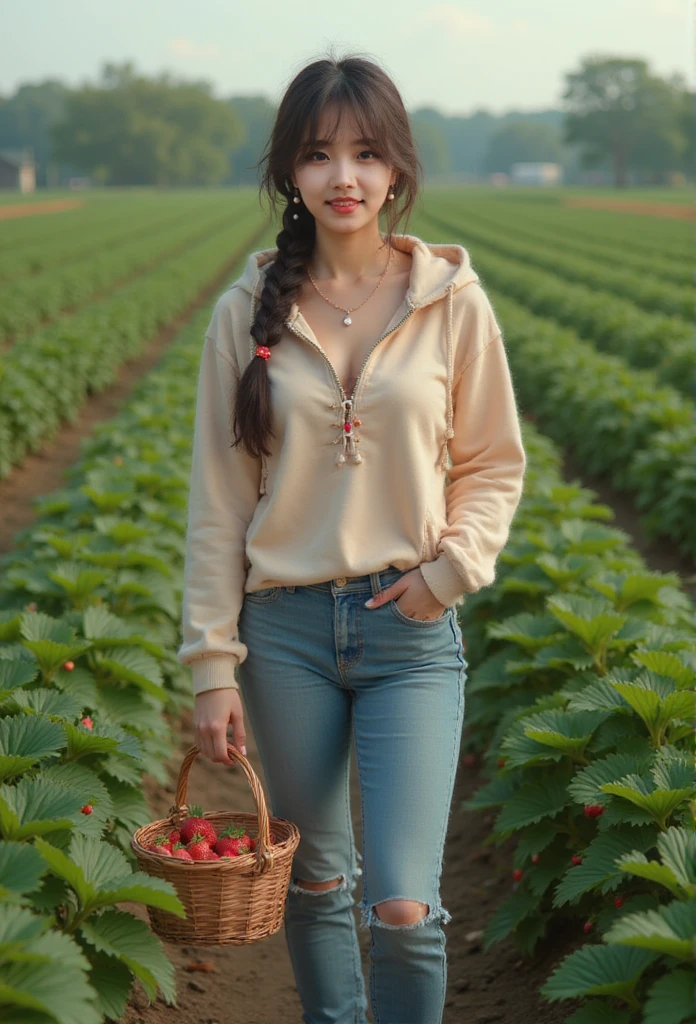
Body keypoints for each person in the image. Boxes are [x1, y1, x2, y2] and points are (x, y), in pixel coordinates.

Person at [177, 50, 526, 1024]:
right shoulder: (243, 312)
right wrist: (212, 662)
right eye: (321, 154)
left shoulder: (452, 303)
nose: (345, 177)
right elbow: (217, 503)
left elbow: (494, 461)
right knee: (320, 880)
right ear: (291, 169)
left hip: (409, 631)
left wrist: (450, 571)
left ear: (397, 168)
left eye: (367, 154)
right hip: (282, 634)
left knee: (405, 903)